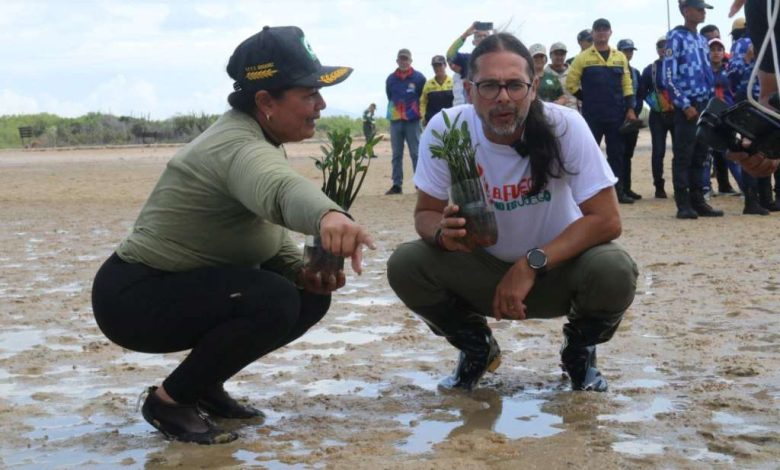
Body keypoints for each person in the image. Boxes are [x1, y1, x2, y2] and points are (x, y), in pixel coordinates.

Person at [90, 26, 375, 444]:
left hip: (180, 287)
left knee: (307, 293)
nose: (321, 104)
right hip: (134, 298)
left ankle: (203, 386)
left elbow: (262, 227)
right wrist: (327, 215)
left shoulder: (259, 136)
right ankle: (170, 402)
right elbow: (278, 188)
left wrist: (299, 269)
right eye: (309, 93)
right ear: (265, 102)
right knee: (273, 299)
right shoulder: (237, 146)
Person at [387, 32, 638, 393]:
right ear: (469, 90)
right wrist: (442, 233)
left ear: (533, 88)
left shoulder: (564, 125)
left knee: (614, 270)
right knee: (406, 264)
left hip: (556, 269)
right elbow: (425, 213)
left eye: (515, 85)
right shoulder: (446, 129)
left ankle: (579, 351)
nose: (503, 97)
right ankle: (476, 346)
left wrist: (530, 264)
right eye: (489, 86)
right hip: (481, 269)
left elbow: (607, 220)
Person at [566, 18, 638, 204]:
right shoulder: (582, 58)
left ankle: (618, 192)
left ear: (610, 32)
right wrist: (588, 99)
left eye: (605, 29)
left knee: (617, 155)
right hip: (593, 116)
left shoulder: (619, 57)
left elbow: (627, 84)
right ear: (593, 33)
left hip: (617, 115)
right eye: (598, 29)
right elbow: (571, 83)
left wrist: (630, 109)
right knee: (588, 155)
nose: (601, 32)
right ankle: (586, 193)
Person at [663, 0, 724, 218]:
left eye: (703, 10)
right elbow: (668, 77)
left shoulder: (701, 40)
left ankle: (699, 201)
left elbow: (708, 73)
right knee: (684, 155)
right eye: (699, 9)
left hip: (705, 105)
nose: (702, 13)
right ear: (685, 10)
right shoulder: (675, 38)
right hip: (688, 107)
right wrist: (684, 104)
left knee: (701, 155)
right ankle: (683, 204)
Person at [707, 38, 745, 199]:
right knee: (706, 153)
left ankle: (745, 188)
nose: (716, 53)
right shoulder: (703, 70)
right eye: (712, 49)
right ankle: (704, 188)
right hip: (708, 115)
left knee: (731, 153)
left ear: (724, 53)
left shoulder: (730, 70)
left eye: (719, 50)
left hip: (727, 115)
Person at [385, 48, 426, 195]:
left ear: (411, 60)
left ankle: (420, 184)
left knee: (416, 153)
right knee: (396, 154)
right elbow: (389, 95)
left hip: (412, 120)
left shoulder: (419, 78)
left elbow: (423, 96)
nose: (404, 61)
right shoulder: (390, 79)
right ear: (397, 61)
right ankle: (397, 185)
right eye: (401, 59)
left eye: (406, 59)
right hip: (395, 120)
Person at [640, 36, 676, 198]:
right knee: (658, 151)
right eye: (660, 46)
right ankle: (659, 186)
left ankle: (680, 185)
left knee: (680, 151)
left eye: (666, 46)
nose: (663, 49)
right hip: (658, 115)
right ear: (657, 49)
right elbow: (642, 91)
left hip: (677, 113)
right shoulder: (650, 70)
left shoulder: (678, 66)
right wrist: (654, 102)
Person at [617, 38, 645, 200]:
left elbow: (640, 95)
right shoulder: (614, 71)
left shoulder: (635, 72)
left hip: (633, 119)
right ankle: (618, 189)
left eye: (630, 51)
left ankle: (627, 188)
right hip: (618, 118)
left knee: (628, 154)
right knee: (618, 154)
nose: (628, 53)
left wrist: (635, 110)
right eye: (625, 50)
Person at [447, 22, 493, 104]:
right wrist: (465, 35)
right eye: (479, 36)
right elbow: (450, 54)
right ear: (474, 42)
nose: (482, 38)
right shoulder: (467, 59)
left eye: (485, 36)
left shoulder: (497, 60)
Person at [420, 55, 454, 127]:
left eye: (440, 65)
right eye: (435, 66)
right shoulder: (428, 84)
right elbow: (423, 102)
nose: (437, 68)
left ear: (445, 65)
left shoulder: (453, 82)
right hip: (432, 121)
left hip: (451, 121)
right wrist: (423, 117)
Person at [546, 41, 578, 110]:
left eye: (562, 54)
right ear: (550, 55)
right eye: (556, 54)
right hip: (552, 111)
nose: (559, 57)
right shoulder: (544, 74)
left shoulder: (574, 72)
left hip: (572, 111)